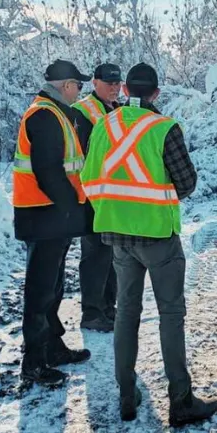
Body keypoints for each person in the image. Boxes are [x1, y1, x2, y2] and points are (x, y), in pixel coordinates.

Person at [81, 62, 217, 425]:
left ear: (125, 89)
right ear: (157, 93)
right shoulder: (164, 128)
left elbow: (89, 177)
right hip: (158, 236)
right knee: (170, 315)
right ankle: (181, 400)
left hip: (117, 237)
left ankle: (126, 395)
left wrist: (113, 210)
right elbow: (186, 184)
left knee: (126, 312)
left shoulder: (104, 125)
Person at [13, 59, 93, 386]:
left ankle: (53, 348)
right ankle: (33, 362)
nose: (80, 91)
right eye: (78, 85)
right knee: (40, 291)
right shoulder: (45, 116)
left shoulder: (55, 112)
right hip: (44, 216)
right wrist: (70, 210)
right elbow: (48, 172)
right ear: (65, 85)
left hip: (51, 217)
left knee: (53, 288)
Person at [72, 63, 122, 332]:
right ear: (95, 83)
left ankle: (107, 308)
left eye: (117, 82)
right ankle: (91, 312)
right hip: (91, 194)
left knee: (110, 253)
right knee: (95, 254)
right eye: (109, 82)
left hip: (111, 194)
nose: (114, 87)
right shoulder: (83, 111)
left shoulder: (116, 109)